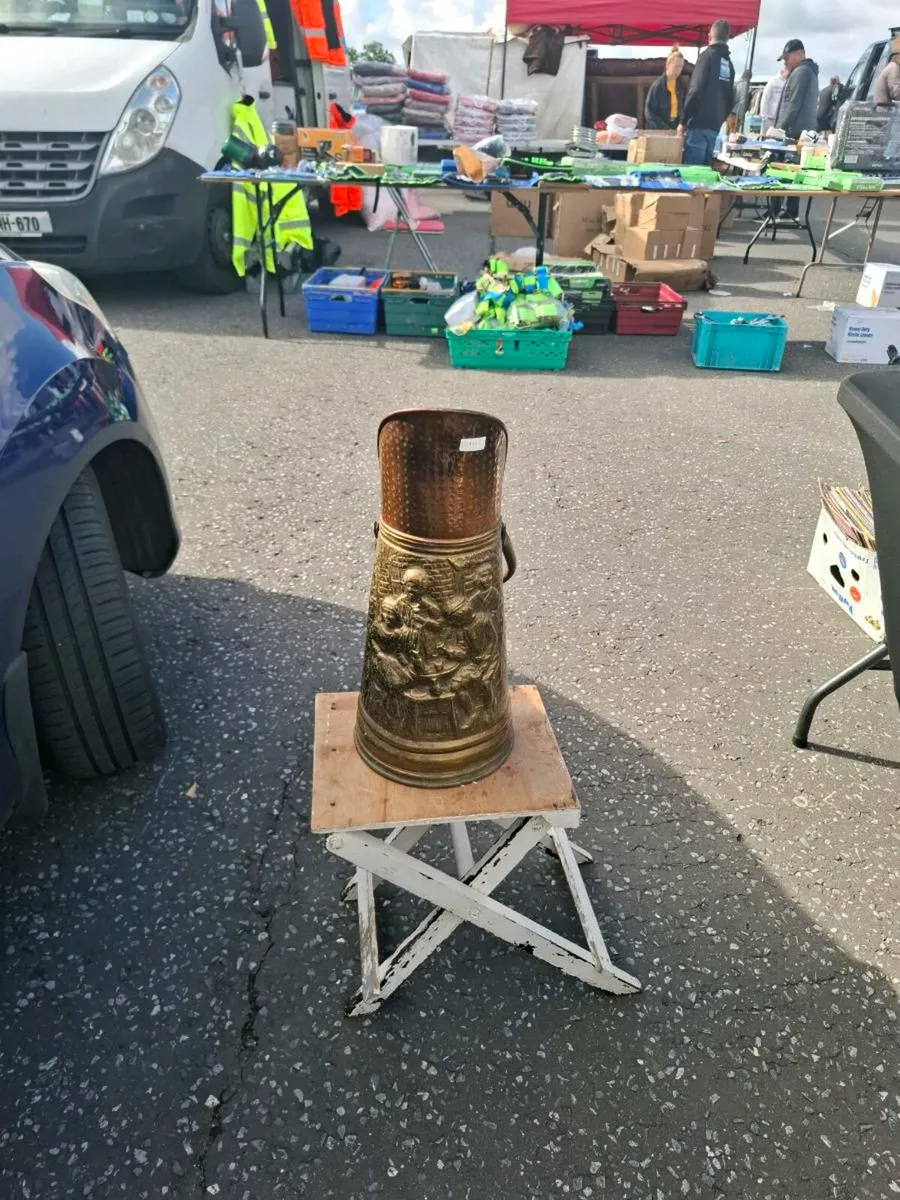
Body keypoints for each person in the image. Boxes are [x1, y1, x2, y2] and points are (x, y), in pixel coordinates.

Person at [679, 19, 735, 166]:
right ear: (727, 38)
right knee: (706, 172)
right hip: (715, 128)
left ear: (709, 37)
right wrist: (719, 120)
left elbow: (695, 90)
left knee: (693, 173)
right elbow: (731, 99)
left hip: (698, 125)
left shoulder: (706, 58)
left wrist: (683, 120)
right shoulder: (729, 65)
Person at [775, 40, 819, 220]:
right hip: (803, 130)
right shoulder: (808, 72)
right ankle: (788, 210)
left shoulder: (801, 72)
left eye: (787, 58)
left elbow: (793, 104)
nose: (785, 62)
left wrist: (781, 129)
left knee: (785, 170)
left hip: (795, 131)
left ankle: (782, 211)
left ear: (799, 54)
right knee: (793, 172)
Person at [645, 47, 688, 130]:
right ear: (668, 65)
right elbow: (649, 113)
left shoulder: (681, 86)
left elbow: (684, 108)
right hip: (659, 128)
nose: (678, 70)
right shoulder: (657, 86)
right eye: (676, 66)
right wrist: (664, 128)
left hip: (676, 127)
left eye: (681, 67)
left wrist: (682, 124)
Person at [760, 65, 788, 134]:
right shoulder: (773, 81)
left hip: (780, 119)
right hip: (770, 117)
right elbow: (765, 98)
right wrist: (764, 115)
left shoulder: (788, 83)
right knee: (767, 136)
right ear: (784, 70)